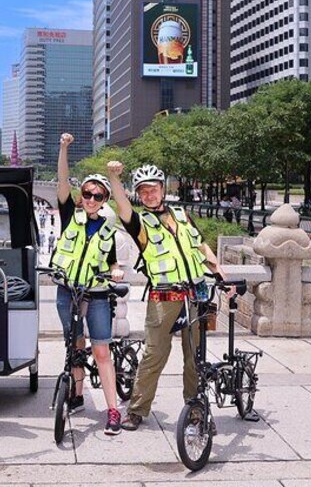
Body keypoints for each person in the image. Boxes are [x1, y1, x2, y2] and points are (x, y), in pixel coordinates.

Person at [106, 161, 228, 432]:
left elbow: (199, 244)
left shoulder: (183, 215)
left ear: (162, 188)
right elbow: (122, 206)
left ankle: (196, 410)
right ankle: (136, 409)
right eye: (143, 191)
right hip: (163, 297)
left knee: (195, 356)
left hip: (195, 294)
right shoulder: (140, 223)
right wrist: (114, 178)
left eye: (153, 189)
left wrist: (218, 269)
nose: (149, 194)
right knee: (154, 355)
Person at [50, 133, 124, 436]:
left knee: (102, 350)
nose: (92, 199)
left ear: (105, 200)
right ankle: (78, 395)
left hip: (96, 295)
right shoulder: (71, 216)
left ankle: (113, 410)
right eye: (88, 194)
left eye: (98, 195)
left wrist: (116, 271)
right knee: (75, 346)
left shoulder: (108, 227)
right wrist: (64, 148)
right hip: (68, 291)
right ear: (82, 196)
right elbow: (62, 181)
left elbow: (113, 261)